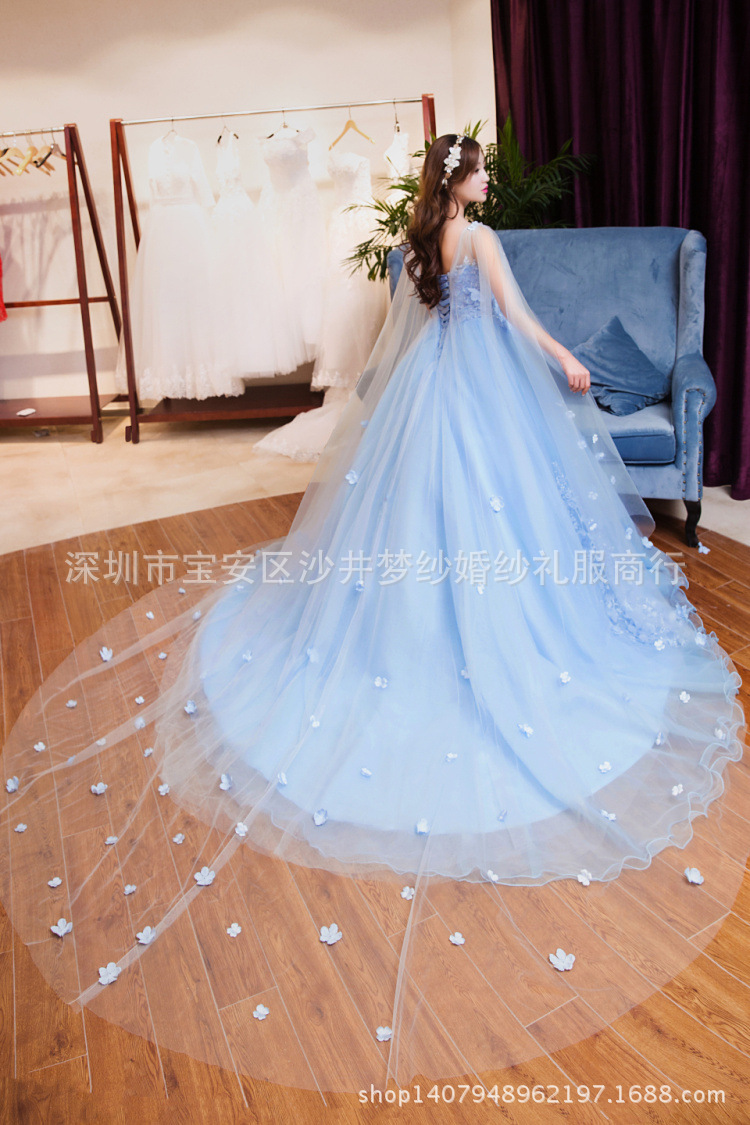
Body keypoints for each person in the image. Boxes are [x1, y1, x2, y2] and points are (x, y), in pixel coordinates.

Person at [1, 133, 745, 1095]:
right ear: (463, 182)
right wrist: (566, 359)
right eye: (479, 172)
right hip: (482, 396)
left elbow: (404, 334)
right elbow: (517, 317)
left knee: (413, 520)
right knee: (497, 522)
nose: (486, 182)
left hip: (428, 396)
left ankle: (408, 634)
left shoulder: (418, 240)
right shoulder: (478, 238)